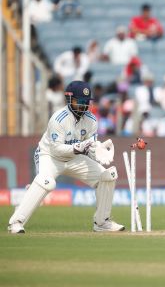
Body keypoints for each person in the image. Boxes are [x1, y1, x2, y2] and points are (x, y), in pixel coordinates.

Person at [8, 81, 124, 234]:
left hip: (75, 159)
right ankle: (16, 222)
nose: (83, 106)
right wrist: (79, 147)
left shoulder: (92, 120)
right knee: (46, 182)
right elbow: (57, 149)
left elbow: (89, 148)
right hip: (50, 156)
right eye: (79, 101)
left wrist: (98, 152)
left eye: (86, 102)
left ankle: (102, 222)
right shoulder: (58, 119)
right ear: (69, 99)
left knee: (108, 176)